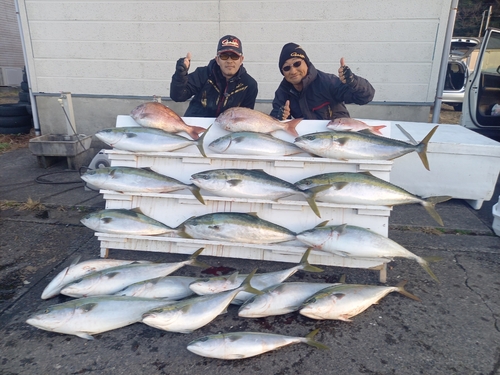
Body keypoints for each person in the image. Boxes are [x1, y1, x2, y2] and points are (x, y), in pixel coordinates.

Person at [270, 43, 375, 121]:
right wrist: (280, 118)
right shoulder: (282, 91)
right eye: (287, 68)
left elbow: (366, 97)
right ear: (283, 72)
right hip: (309, 140)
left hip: (338, 138)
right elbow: (275, 122)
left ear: (306, 63)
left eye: (297, 64)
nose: (293, 71)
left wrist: (353, 82)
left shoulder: (327, 82)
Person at [170, 35, 258, 117]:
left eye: (234, 56)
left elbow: (246, 116)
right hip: (196, 128)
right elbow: (177, 96)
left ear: (241, 59)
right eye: (224, 56)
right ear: (217, 59)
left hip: (228, 129)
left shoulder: (249, 85)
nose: (229, 61)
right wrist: (180, 75)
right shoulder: (202, 74)